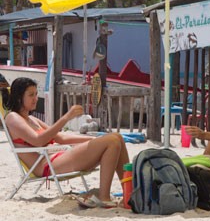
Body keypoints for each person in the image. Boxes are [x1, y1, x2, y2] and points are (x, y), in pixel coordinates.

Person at [2, 77, 130, 208]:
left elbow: (61, 138)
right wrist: (66, 117)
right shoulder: (12, 118)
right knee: (113, 140)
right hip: (48, 165)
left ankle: (129, 195)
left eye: (36, 94)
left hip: (60, 156)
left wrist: (95, 140)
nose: (35, 98)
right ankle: (104, 197)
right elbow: (38, 141)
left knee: (116, 137)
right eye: (31, 95)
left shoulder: (32, 119)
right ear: (18, 97)